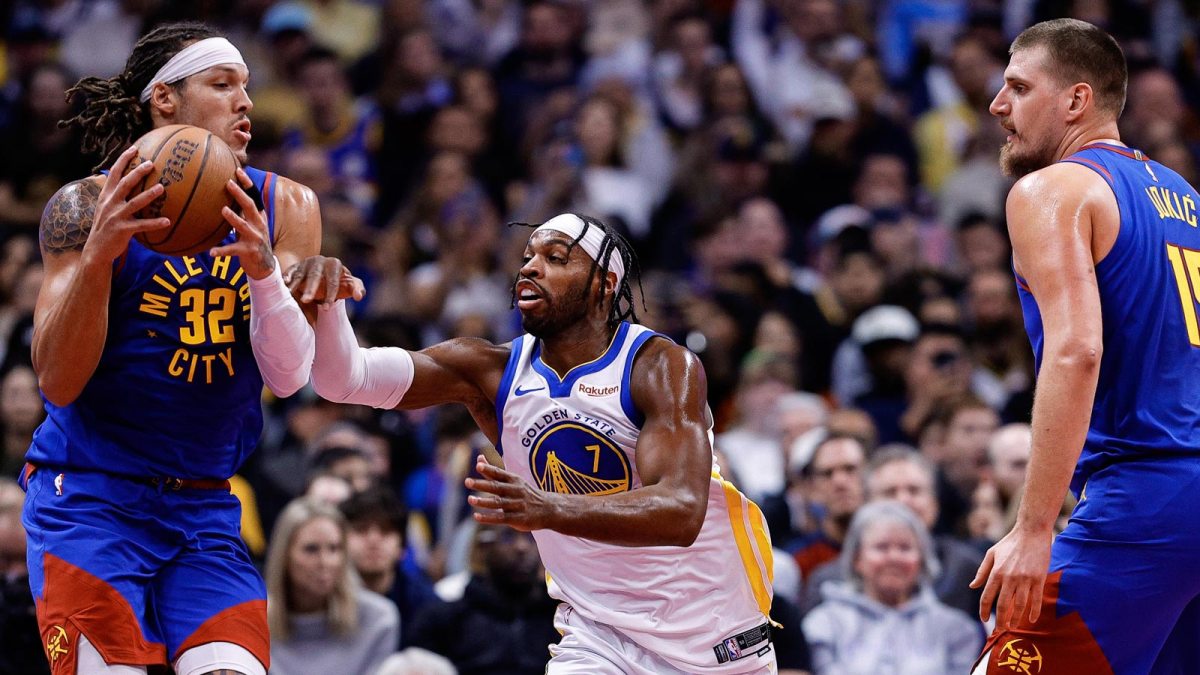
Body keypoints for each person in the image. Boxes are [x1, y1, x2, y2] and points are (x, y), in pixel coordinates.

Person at [288, 212, 777, 673]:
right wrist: (328, 306)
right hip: (598, 634)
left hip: (713, 633)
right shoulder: (491, 369)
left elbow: (682, 510)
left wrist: (549, 509)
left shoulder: (658, 366)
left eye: (557, 258)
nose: (530, 268)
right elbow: (344, 381)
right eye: (527, 257)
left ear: (604, 284)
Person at [21, 22, 342, 675]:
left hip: (203, 506)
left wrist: (263, 273)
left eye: (248, 88)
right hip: (90, 499)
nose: (245, 103)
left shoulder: (288, 206)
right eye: (223, 85)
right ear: (164, 100)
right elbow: (56, 380)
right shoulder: (83, 206)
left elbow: (286, 375)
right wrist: (102, 257)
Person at [970, 18, 1200, 674]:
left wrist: (1034, 525)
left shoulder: (1052, 188)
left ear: (1075, 100)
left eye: (1017, 86)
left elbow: (1077, 350)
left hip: (1145, 499)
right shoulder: (1186, 200)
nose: (997, 104)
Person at [802, 500, 982, 675]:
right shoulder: (823, 625)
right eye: (881, 547)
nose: (894, 557)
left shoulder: (956, 629)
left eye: (905, 548)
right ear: (857, 559)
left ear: (922, 559)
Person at [264, 498, 400, 675]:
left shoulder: (378, 620)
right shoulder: (253, 624)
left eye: (334, 548)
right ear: (284, 556)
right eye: (311, 549)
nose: (325, 562)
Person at [406, 523, 559, 675]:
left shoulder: (562, 619)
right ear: (482, 547)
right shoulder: (442, 620)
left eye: (531, 537)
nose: (521, 547)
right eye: (508, 536)